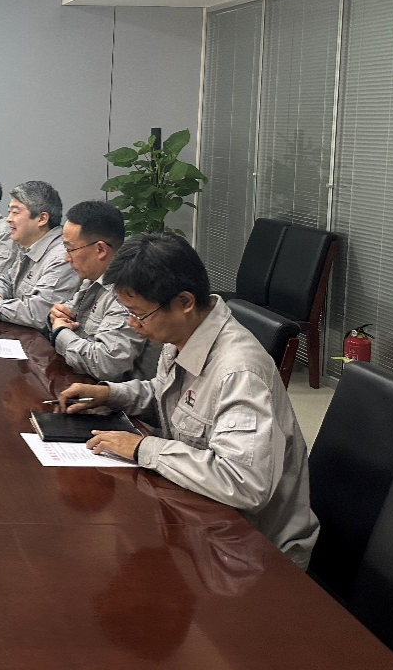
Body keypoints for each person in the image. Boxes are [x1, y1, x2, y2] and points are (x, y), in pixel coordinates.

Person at [59, 233, 319, 569]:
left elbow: (243, 483)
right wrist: (111, 394)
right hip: (200, 523)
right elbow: (171, 399)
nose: (132, 325)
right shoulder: (184, 333)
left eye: (140, 315)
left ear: (184, 301)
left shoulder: (238, 372)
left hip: (253, 553)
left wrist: (143, 449)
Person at [47, 200, 155, 381]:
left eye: (70, 249)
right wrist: (56, 316)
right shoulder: (91, 278)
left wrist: (60, 333)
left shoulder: (126, 292)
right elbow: (68, 315)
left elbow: (107, 365)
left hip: (108, 394)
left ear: (100, 249)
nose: (66, 258)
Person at [0, 180, 76, 328]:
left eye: (15, 212)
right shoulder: (28, 246)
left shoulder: (62, 257)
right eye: (9, 212)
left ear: (42, 219)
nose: (8, 219)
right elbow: (6, 279)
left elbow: (39, 313)